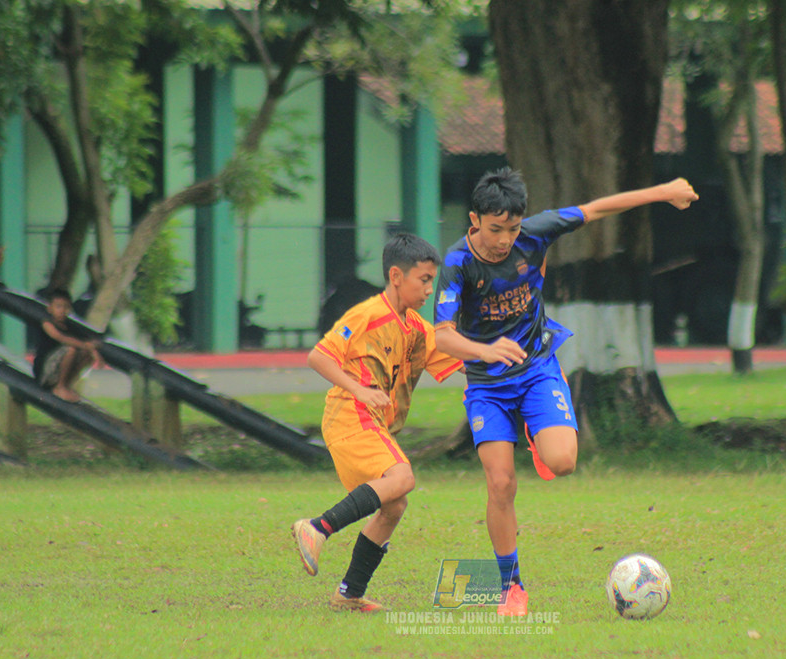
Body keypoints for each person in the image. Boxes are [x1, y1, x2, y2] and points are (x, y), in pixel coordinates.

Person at [432, 167, 699, 617]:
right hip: (487, 385)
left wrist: (664, 191)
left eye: (512, 229)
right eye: (496, 229)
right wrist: (485, 349)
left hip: (536, 369)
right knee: (501, 483)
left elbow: (598, 207)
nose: (505, 239)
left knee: (563, 462)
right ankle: (511, 588)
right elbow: (442, 336)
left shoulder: (535, 234)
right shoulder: (457, 263)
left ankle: (539, 438)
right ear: (474, 220)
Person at [292, 233, 463, 612]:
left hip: (371, 423)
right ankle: (317, 527)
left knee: (394, 504)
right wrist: (361, 389)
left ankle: (348, 594)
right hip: (350, 413)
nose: (430, 289)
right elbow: (319, 357)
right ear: (397, 276)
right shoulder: (366, 315)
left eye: (433, 281)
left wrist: (505, 359)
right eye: (424, 280)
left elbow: (457, 360)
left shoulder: (416, 327)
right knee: (403, 478)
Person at [33, 288, 101, 403]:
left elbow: (88, 341)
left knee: (86, 353)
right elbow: (60, 337)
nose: (62, 311)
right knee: (71, 350)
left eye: (66, 307)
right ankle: (60, 387)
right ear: (50, 308)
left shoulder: (70, 326)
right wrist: (86, 345)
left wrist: (93, 350)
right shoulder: (47, 323)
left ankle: (66, 385)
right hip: (44, 372)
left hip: (57, 371)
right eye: (58, 307)